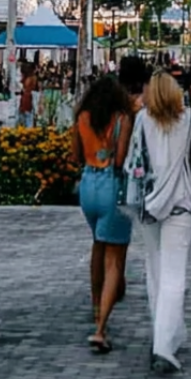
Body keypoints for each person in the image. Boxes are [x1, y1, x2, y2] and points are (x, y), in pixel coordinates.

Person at [137, 70, 191, 374]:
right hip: (179, 202)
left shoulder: (142, 119)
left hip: (147, 202)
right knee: (173, 276)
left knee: (154, 270)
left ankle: (165, 333)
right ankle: (164, 345)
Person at [71, 75, 135, 354]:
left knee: (98, 243)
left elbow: (75, 155)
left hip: (88, 184)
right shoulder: (122, 119)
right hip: (112, 183)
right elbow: (120, 160)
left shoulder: (82, 117)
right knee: (114, 259)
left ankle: (96, 303)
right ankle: (100, 328)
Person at [18, 63, 38, 127]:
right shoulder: (33, 78)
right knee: (28, 117)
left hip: (27, 98)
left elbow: (25, 87)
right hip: (28, 98)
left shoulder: (28, 79)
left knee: (26, 117)